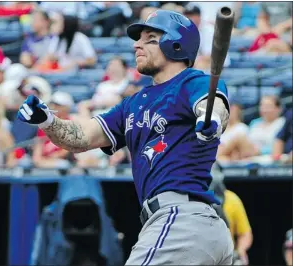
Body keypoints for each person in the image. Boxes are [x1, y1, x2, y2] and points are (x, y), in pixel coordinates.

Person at [18, 9, 233, 265]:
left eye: (149, 38)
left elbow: (213, 104)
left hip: (181, 220)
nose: (137, 44)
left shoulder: (192, 82)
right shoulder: (133, 103)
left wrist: (212, 120)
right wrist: (47, 121)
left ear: (175, 44)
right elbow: (80, 137)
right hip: (191, 227)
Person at [223, 190, 253, 265]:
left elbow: (245, 233)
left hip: (227, 257)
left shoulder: (231, 199)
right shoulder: (192, 197)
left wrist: (240, 251)